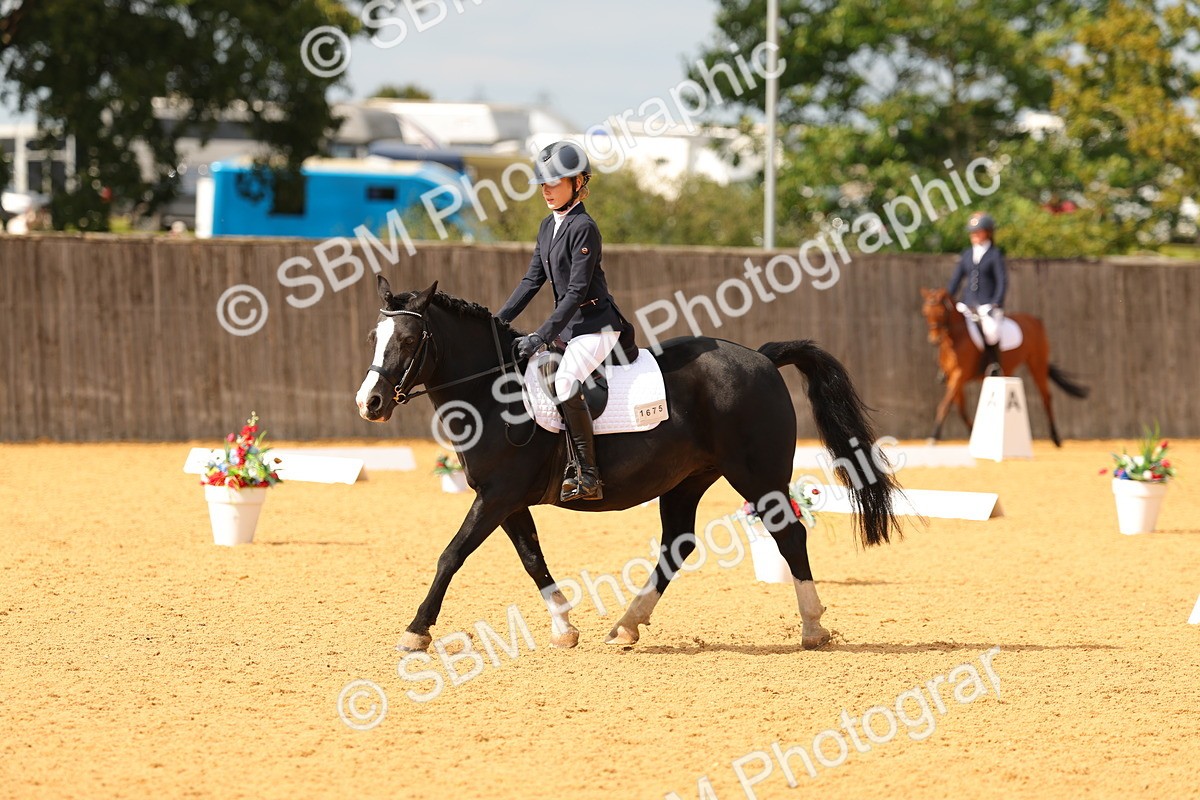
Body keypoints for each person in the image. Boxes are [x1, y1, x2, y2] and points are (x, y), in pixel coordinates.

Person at [496, 141, 635, 502]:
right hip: (570, 328)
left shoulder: (583, 227)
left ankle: (589, 476)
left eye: (554, 183)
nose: (546, 190)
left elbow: (574, 292)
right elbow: (531, 281)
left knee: (566, 379)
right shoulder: (548, 226)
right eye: (542, 184)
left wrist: (541, 336)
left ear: (577, 183)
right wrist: (497, 321)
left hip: (595, 325)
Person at [947, 211, 1008, 377]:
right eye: (972, 232)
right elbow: (956, 279)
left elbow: (1002, 281)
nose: (973, 235)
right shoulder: (967, 254)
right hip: (966, 303)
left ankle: (994, 364)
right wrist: (947, 297)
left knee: (991, 330)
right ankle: (947, 364)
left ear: (987, 232)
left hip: (986, 304)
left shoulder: (995, 254)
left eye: (977, 231)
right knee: (949, 325)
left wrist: (996, 303)